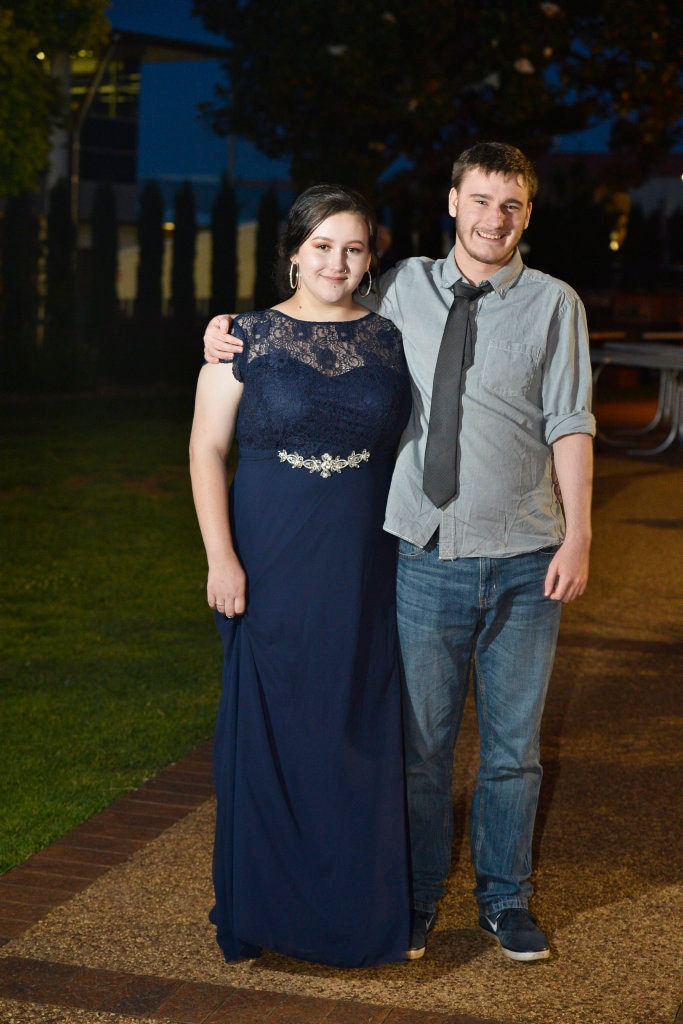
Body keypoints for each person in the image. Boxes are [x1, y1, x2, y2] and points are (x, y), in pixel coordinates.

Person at [203, 142, 595, 964]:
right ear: (451, 202)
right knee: (415, 748)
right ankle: (411, 898)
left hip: (518, 550)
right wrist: (223, 332)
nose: (494, 218)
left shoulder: (553, 303)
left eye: (512, 205)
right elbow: (308, 308)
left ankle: (504, 900)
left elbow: (570, 420)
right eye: (480, 200)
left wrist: (580, 532)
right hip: (418, 552)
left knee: (513, 749)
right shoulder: (398, 289)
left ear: (527, 213)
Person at [189, 184, 412, 968]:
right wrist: (222, 557)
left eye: (353, 248)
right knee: (272, 725)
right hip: (268, 557)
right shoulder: (241, 337)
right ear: (293, 249)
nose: (337, 262)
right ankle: (264, 909)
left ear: (370, 257)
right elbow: (206, 450)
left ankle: (353, 912)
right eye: (322, 245)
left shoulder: (390, 337)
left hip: (362, 562)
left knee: (354, 722)